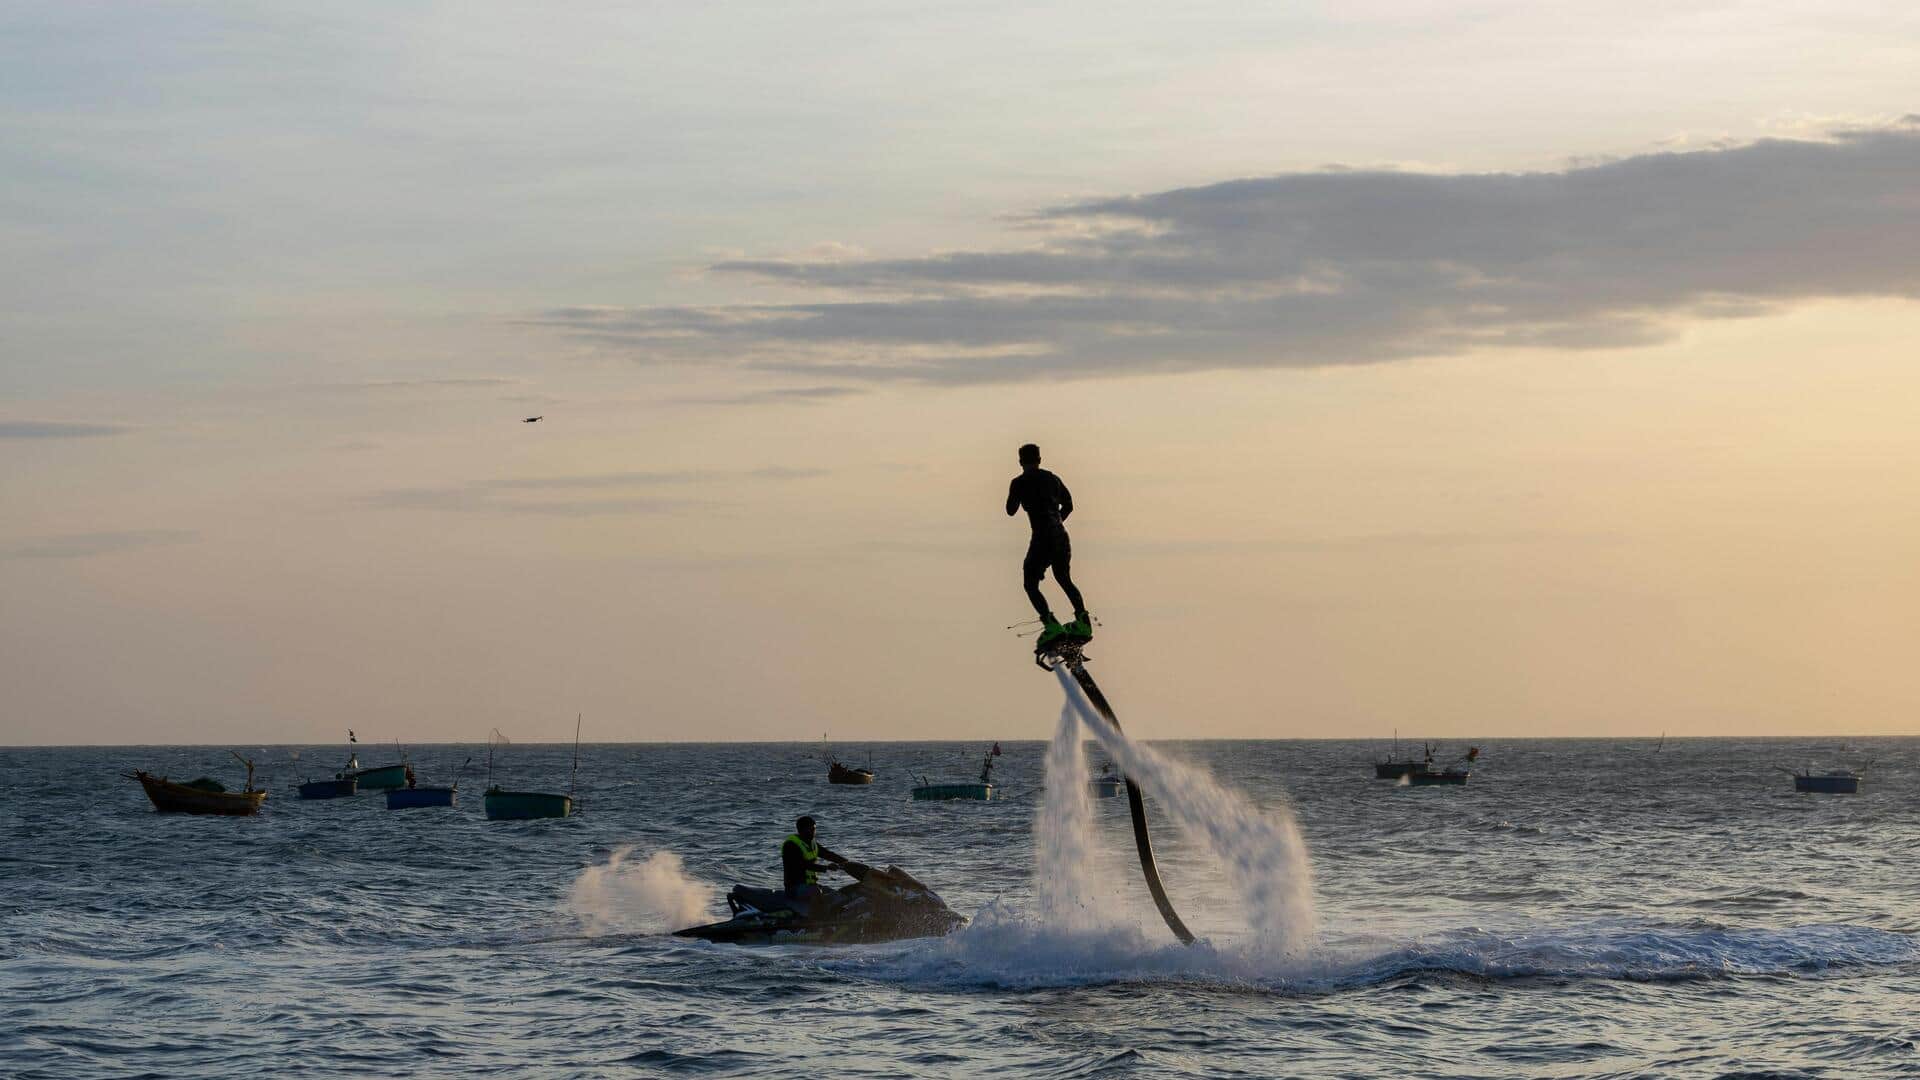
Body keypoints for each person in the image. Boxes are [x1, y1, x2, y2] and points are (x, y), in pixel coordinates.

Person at [1006, 443, 1090, 648]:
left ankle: (1051, 625)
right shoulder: (1053, 478)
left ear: (1020, 461)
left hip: (1042, 537)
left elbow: (1010, 510)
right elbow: (1069, 504)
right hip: (1060, 535)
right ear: (1040, 459)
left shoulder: (1019, 482)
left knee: (1030, 583)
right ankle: (1083, 622)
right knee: (1064, 578)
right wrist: (1056, 521)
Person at [782, 815, 848, 907]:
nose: (814, 832)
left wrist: (846, 862)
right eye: (811, 829)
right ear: (802, 829)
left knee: (837, 895)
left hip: (811, 885)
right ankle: (815, 918)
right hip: (794, 888)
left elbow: (827, 854)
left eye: (814, 829)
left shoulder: (812, 843)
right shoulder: (791, 845)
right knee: (816, 892)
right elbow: (803, 865)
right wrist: (827, 868)